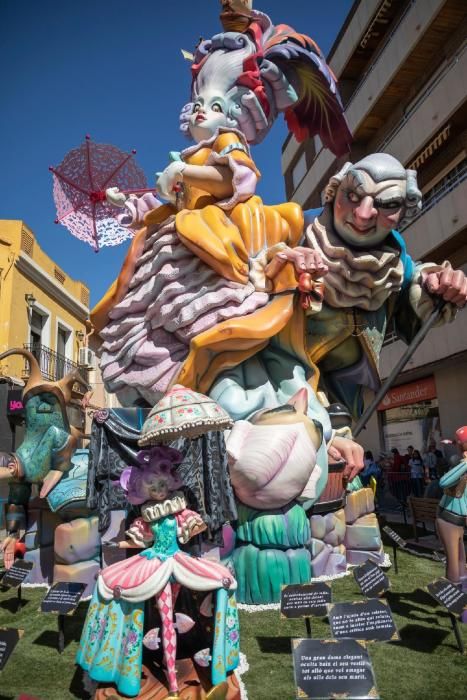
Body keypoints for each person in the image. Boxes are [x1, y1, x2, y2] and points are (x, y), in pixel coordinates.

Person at [76, 447, 239, 698]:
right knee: (163, 619)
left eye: (163, 485)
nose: (160, 491)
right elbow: (140, 542)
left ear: (171, 484)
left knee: (219, 583)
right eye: (153, 488)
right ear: (145, 491)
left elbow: (196, 528)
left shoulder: (181, 514)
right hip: (155, 564)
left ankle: (199, 665)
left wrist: (205, 517)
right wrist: (117, 544)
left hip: (177, 561)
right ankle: (172, 683)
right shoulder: (146, 518)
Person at [436, 426, 467, 584]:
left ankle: (464, 596)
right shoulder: (459, 465)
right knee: (454, 564)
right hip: (448, 519)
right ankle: (455, 600)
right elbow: (443, 482)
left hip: (460, 521)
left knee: (462, 561)